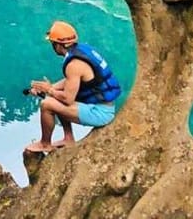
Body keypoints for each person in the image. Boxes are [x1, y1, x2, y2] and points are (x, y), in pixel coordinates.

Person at [24, 20, 122, 153]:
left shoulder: (73, 64)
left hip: (101, 113)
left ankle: (45, 144)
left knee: (46, 105)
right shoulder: (82, 51)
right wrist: (50, 88)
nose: (53, 47)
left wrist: (50, 90)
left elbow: (67, 99)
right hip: (105, 105)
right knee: (54, 96)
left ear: (59, 45)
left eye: (53, 44)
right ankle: (68, 138)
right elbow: (70, 81)